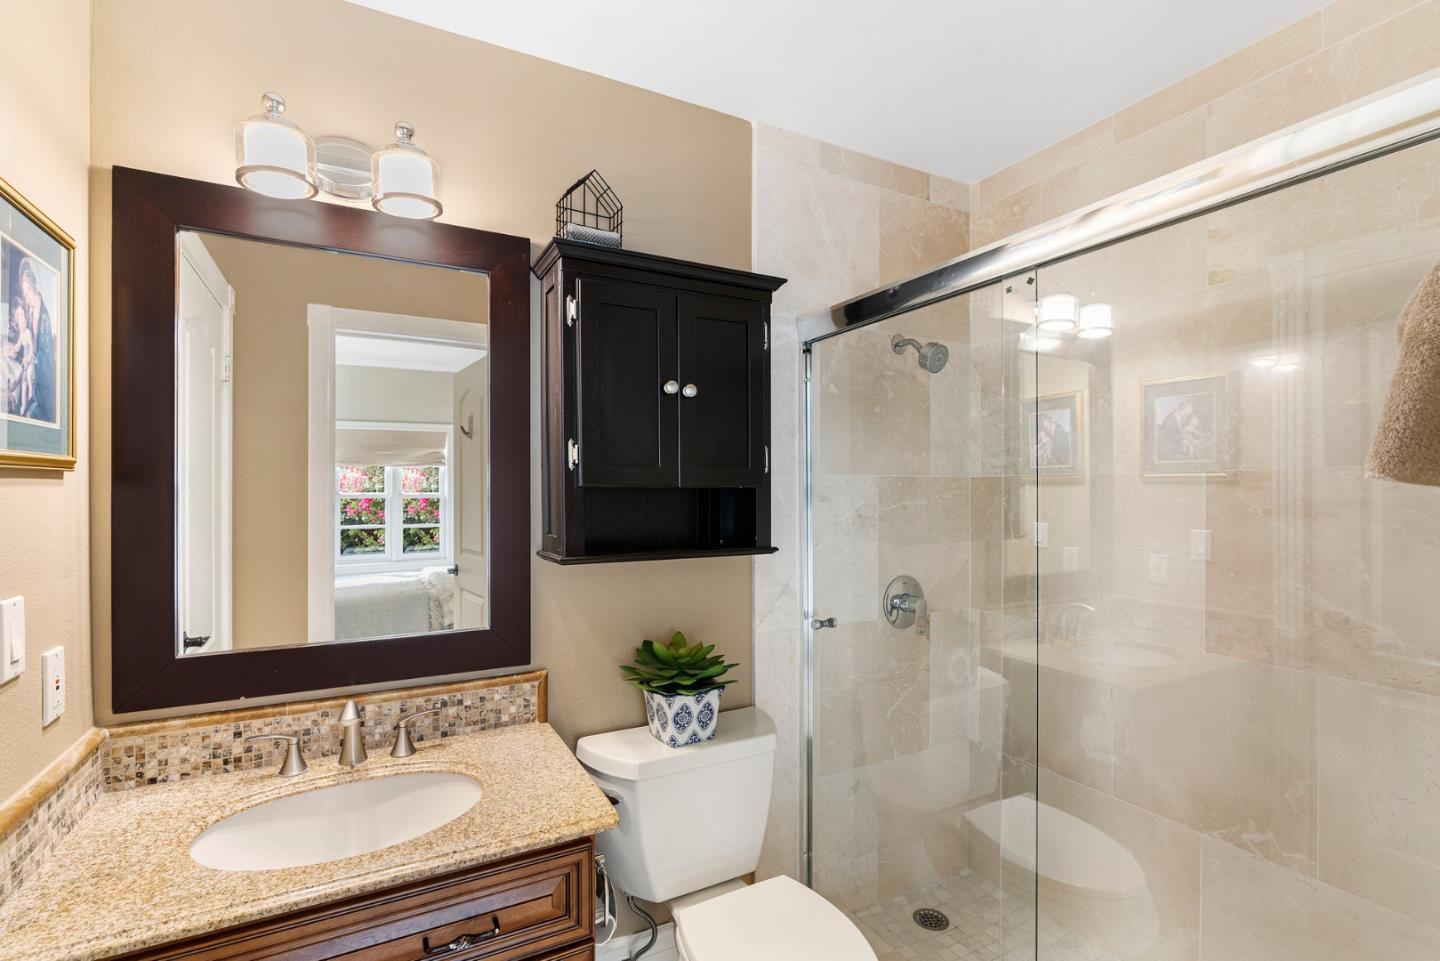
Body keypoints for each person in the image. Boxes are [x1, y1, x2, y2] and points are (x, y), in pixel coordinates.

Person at [16, 258, 55, 423]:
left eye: (28, 292)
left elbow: (41, 343)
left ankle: (33, 404)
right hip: (35, 357)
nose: (26, 297)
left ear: (34, 288)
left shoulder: (40, 308)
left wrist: (32, 357)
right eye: (24, 293)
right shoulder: (31, 310)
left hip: (43, 361)